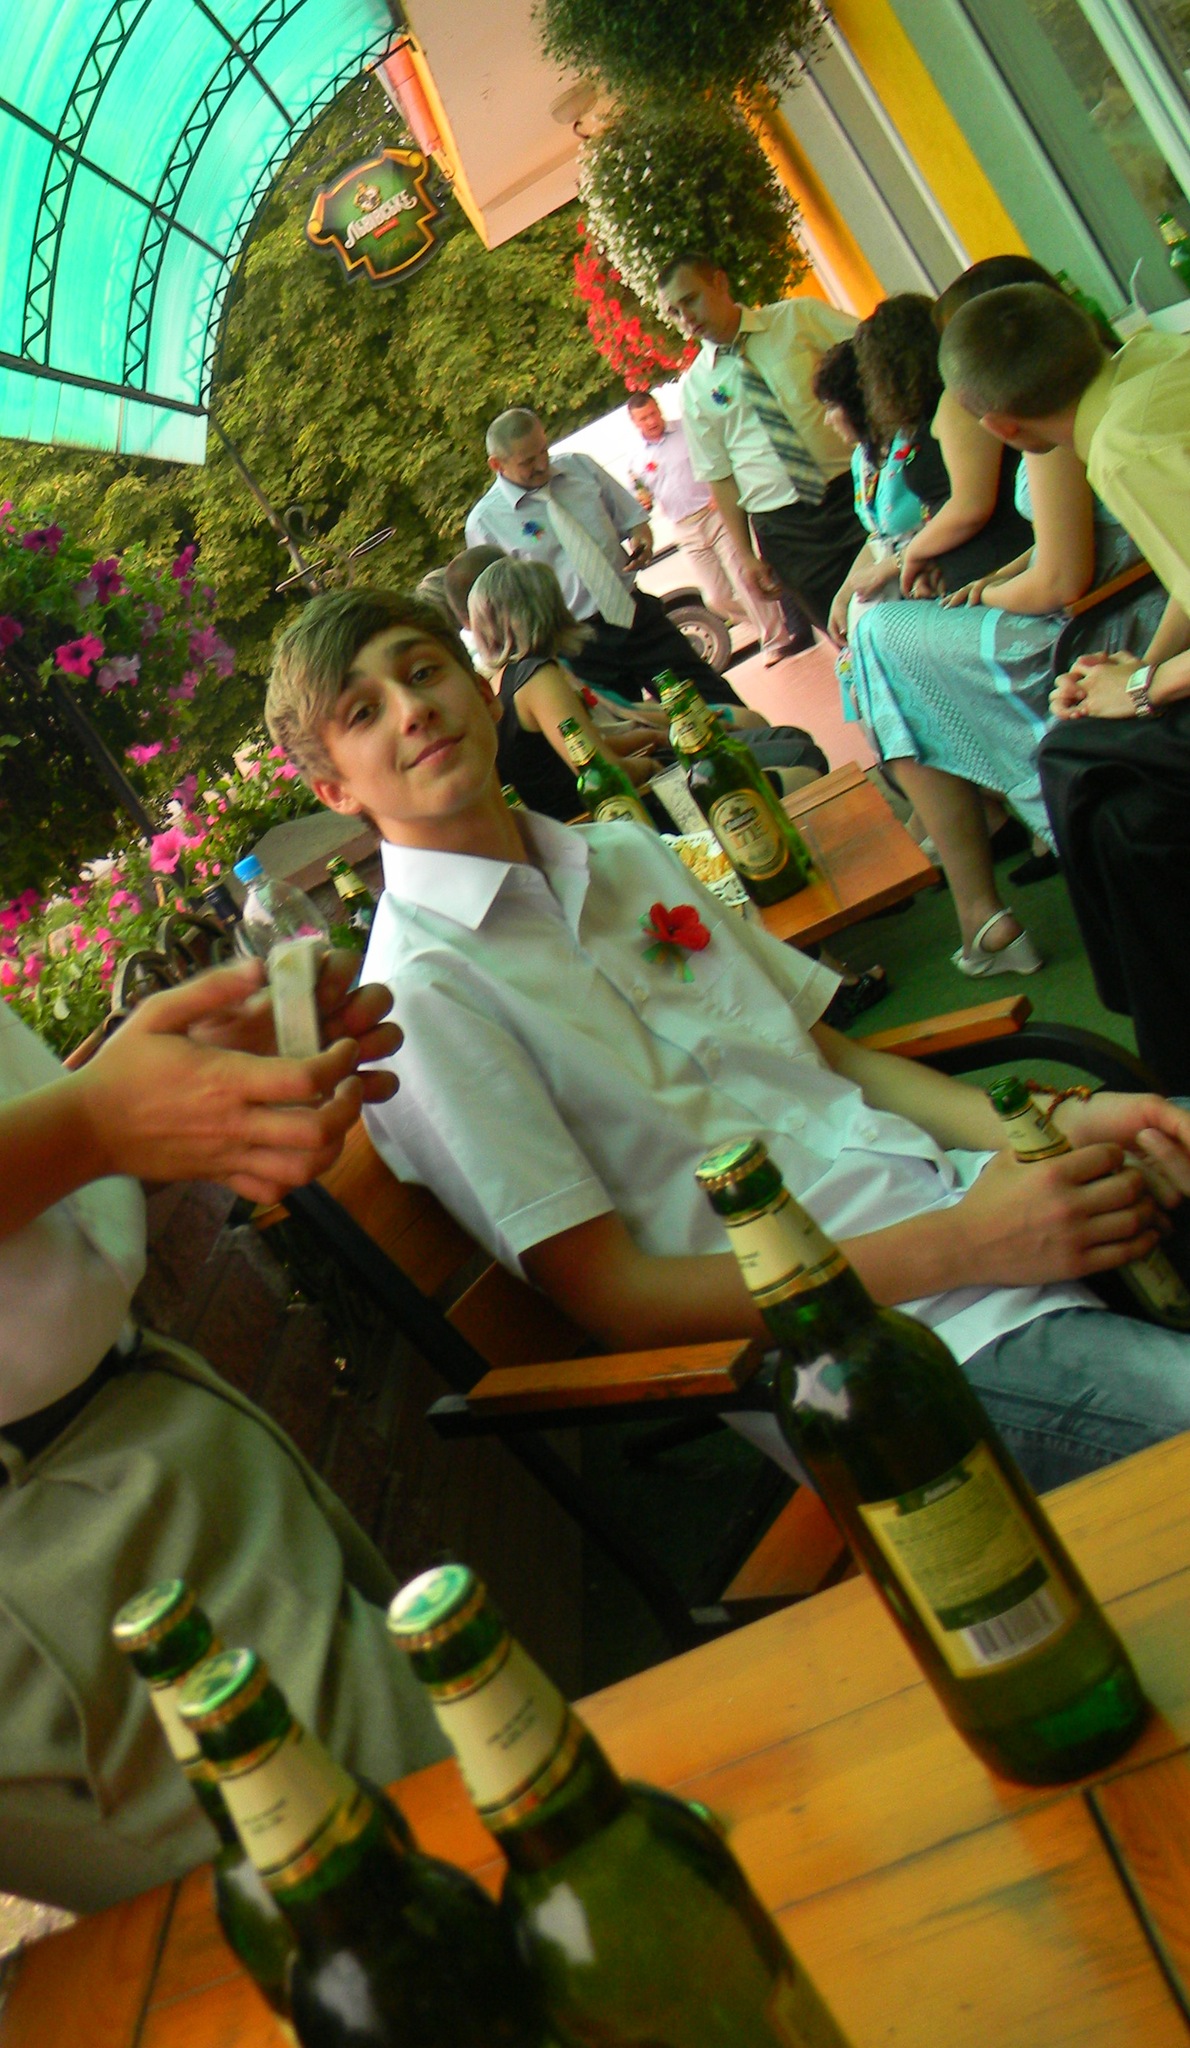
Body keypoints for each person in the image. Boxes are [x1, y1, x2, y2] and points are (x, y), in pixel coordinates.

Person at [264, 586, 1190, 1507]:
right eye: (363, 712)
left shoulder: (625, 855)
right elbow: (622, 1300)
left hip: (972, 1196)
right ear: (335, 789)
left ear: (480, 688)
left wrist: (1066, 1120)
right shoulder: (424, 999)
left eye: (423, 672)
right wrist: (974, 1244)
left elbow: (839, 1065)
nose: (412, 708)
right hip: (889, 1359)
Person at [0, 956, 446, 1910]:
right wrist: (95, 1123)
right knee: (447, 1874)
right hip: (52, 1560)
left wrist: (164, 1099)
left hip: (131, 1441)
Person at [841, 264, 1163, 976]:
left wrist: (983, 596)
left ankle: (981, 909)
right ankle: (981, 905)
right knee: (883, 643)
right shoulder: (1132, 372)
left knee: (878, 642)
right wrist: (990, 579)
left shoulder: (1055, 420)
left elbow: (1060, 578)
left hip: (1092, 630)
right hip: (1116, 606)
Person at [937, 280, 1190, 1087]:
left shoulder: (1121, 448)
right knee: (1098, 771)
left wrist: (1143, 694)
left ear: (1001, 428)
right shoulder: (1153, 362)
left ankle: (1169, 1057)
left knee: (1084, 774)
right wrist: (1143, 668)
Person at [467, 555, 830, 822]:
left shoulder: (507, 680)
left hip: (612, 805)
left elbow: (590, 747)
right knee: (802, 761)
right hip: (622, 813)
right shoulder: (537, 676)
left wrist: (655, 739)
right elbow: (604, 771)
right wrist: (654, 759)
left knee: (789, 743)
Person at [464, 407, 742, 707]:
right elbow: (500, 608)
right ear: (497, 464)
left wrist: (642, 540)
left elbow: (634, 521)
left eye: (543, 450)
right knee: (632, 728)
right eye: (527, 461)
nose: (542, 464)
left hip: (634, 612)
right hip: (575, 645)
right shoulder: (486, 523)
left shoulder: (579, 468)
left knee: (711, 698)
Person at [659, 251, 863, 633]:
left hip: (852, 493)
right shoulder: (697, 387)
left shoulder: (798, 318)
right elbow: (720, 475)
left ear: (719, 282)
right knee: (846, 632)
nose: (685, 318)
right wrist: (746, 556)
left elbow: (871, 356)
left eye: (690, 300)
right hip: (786, 529)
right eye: (673, 312)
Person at [624, 389, 811, 664]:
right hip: (684, 527)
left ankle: (775, 640)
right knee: (715, 598)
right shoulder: (635, 460)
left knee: (744, 580)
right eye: (643, 418)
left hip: (715, 514)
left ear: (659, 409)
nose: (651, 421)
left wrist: (719, 493)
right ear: (635, 422)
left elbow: (718, 458)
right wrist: (643, 503)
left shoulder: (688, 430)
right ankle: (777, 618)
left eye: (653, 413)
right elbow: (642, 499)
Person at [815, 321, 946, 645]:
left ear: (857, 402)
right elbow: (878, 537)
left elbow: (949, 518)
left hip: (935, 586)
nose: (827, 420)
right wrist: (843, 594)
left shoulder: (915, 442)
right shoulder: (862, 459)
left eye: (832, 407)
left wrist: (890, 567)